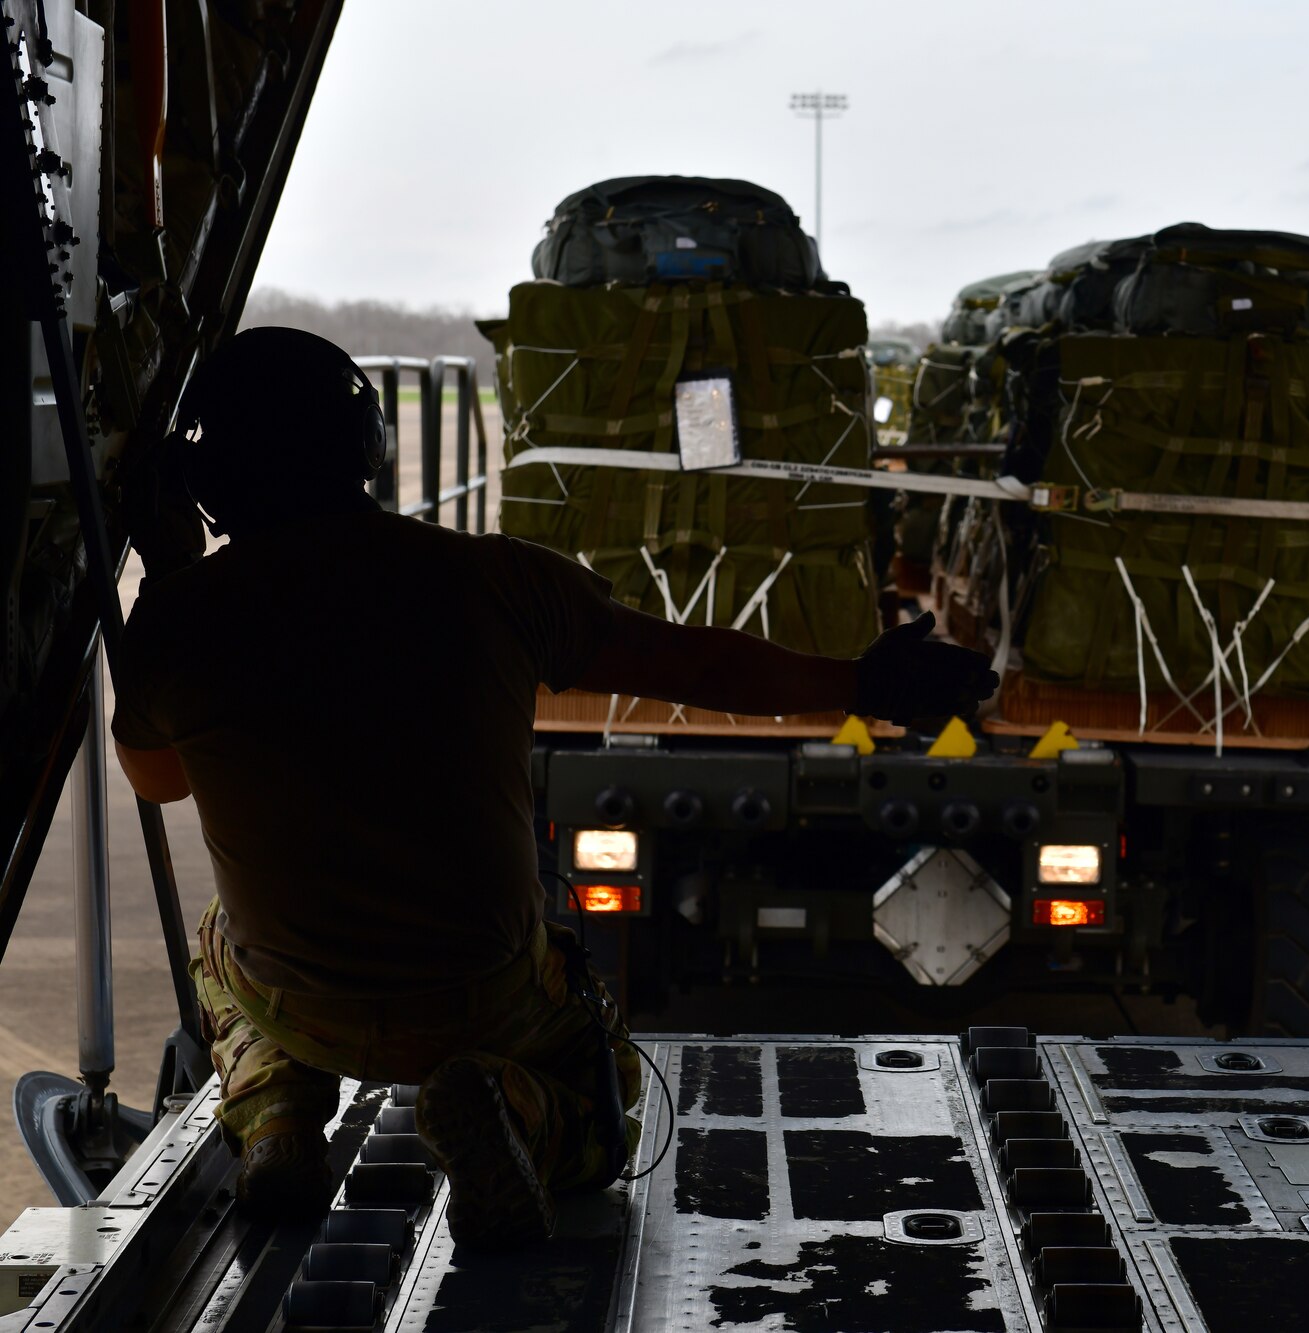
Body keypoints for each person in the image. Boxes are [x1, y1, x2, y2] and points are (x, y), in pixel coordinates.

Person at [112, 327, 997, 1247]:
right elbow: (688, 664)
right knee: (607, 1099)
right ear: (364, 443)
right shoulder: (492, 580)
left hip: (299, 1001)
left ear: (207, 481)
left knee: (221, 939)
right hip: (485, 998)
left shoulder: (181, 623)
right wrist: (859, 684)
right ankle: (517, 1110)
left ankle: (279, 1124)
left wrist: (173, 573)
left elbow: (157, 778)